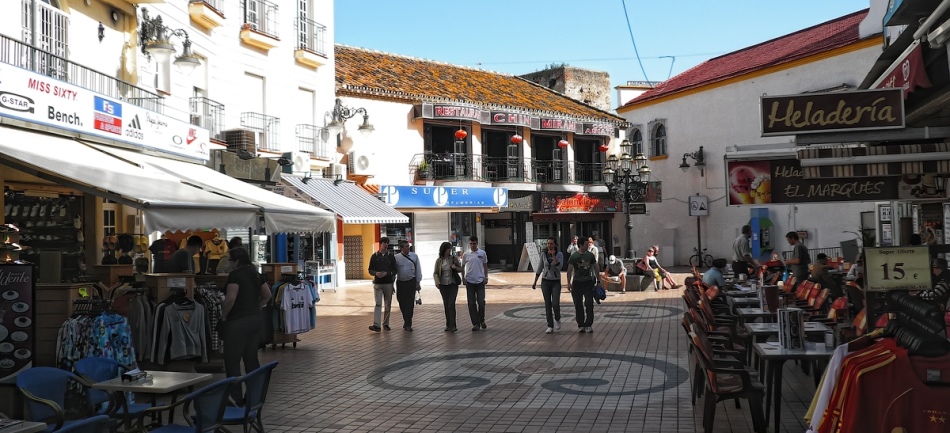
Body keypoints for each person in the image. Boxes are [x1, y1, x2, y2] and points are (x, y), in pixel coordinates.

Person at [221, 247, 272, 388]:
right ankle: (255, 394)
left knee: (232, 361)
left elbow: (230, 299)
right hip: (255, 320)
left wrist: (224, 316)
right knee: (251, 359)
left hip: (237, 321)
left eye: (230, 260)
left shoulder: (235, 275)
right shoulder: (255, 273)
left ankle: (235, 398)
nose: (229, 264)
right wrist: (257, 306)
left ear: (237, 261)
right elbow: (267, 295)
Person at [567, 236, 599, 332]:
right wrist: (569, 283)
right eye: (585, 244)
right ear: (580, 245)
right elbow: (569, 270)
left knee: (589, 303)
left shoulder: (590, 255)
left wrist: (599, 280)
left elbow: (596, 267)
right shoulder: (574, 256)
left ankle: (589, 324)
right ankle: (581, 324)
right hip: (577, 283)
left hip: (588, 282)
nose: (587, 246)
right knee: (578, 304)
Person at [532, 238, 563, 334]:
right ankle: (550, 325)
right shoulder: (543, 254)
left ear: (555, 245)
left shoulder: (559, 254)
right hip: (545, 282)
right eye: (548, 244)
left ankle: (557, 318)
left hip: (555, 282)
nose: (549, 245)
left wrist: (554, 256)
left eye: (551, 244)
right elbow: (540, 267)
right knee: (547, 304)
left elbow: (559, 267)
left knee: (555, 303)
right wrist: (535, 282)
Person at [367, 237, 398, 332]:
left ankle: (386, 323)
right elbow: (370, 270)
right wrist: (376, 273)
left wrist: (387, 273)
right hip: (378, 283)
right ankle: (376, 325)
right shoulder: (375, 256)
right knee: (378, 303)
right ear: (380, 244)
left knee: (388, 304)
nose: (386, 245)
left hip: (388, 283)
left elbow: (395, 270)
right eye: (384, 243)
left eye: (387, 243)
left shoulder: (391, 256)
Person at [433, 241, 463, 332]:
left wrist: (455, 267)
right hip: (443, 285)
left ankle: (453, 325)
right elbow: (435, 273)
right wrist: (437, 282)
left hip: (452, 283)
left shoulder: (453, 258)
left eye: (450, 249)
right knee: (446, 305)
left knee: (451, 304)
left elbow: (461, 268)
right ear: (443, 250)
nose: (449, 251)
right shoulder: (439, 261)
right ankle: (448, 325)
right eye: (447, 249)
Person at [462, 236, 489, 331]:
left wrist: (486, 277)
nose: (472, 245)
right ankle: (475, 323)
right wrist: (463, 278)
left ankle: (482, 320)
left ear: (477, 243)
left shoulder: (482, 253)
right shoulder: (466, 254)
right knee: (471, 304)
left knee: (481, 302)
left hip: (480, 281)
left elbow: (485, 266)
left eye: (474, 243)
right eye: (470, 244)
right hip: (470, 282)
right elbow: (463, 266)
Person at [394, 240, 422, 331]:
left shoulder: (414, 256)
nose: (408, 248)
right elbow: (394, 271)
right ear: (401, 248)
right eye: (406, 246)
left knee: (410, 303)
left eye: (408, 246)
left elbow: (418, 269)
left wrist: (418, 282)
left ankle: (408, 323)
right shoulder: (396, 258)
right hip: (401, 282)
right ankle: (406, 319)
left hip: (411, 282)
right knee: (401, 301)